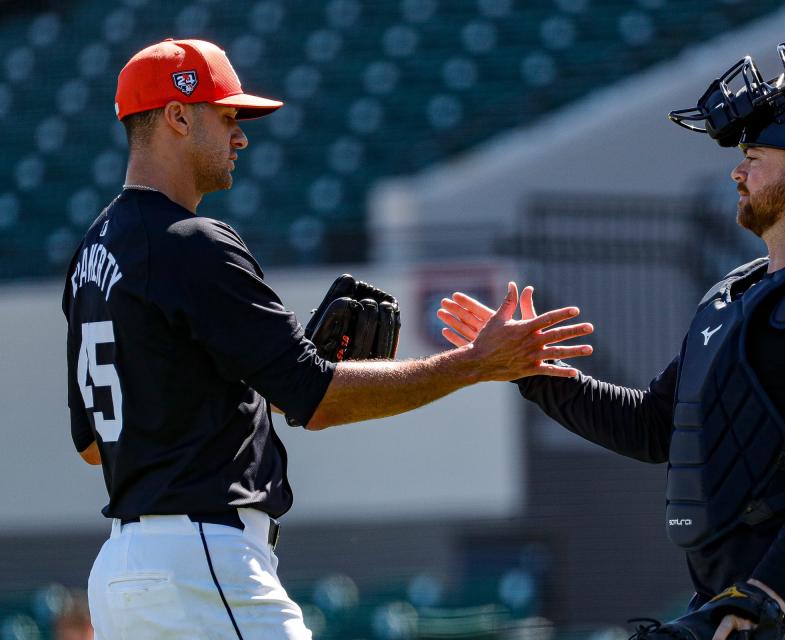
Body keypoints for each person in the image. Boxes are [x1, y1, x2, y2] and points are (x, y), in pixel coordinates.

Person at [63, 38, 594, 640]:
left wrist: (247, 383)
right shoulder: (190, 241)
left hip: (122, 578)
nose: (241, 136)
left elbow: (94, 444)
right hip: (202, 564)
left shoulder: (92, 252)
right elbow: (316, 396)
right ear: (178, 115)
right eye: (228, 116)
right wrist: (476, 362)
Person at [437, 43, 785, 640]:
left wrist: (765, 593)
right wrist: (531, 372)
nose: (738, 172)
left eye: (754, 157)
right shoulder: (733, 295)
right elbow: (655, 427)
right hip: (728, 616)